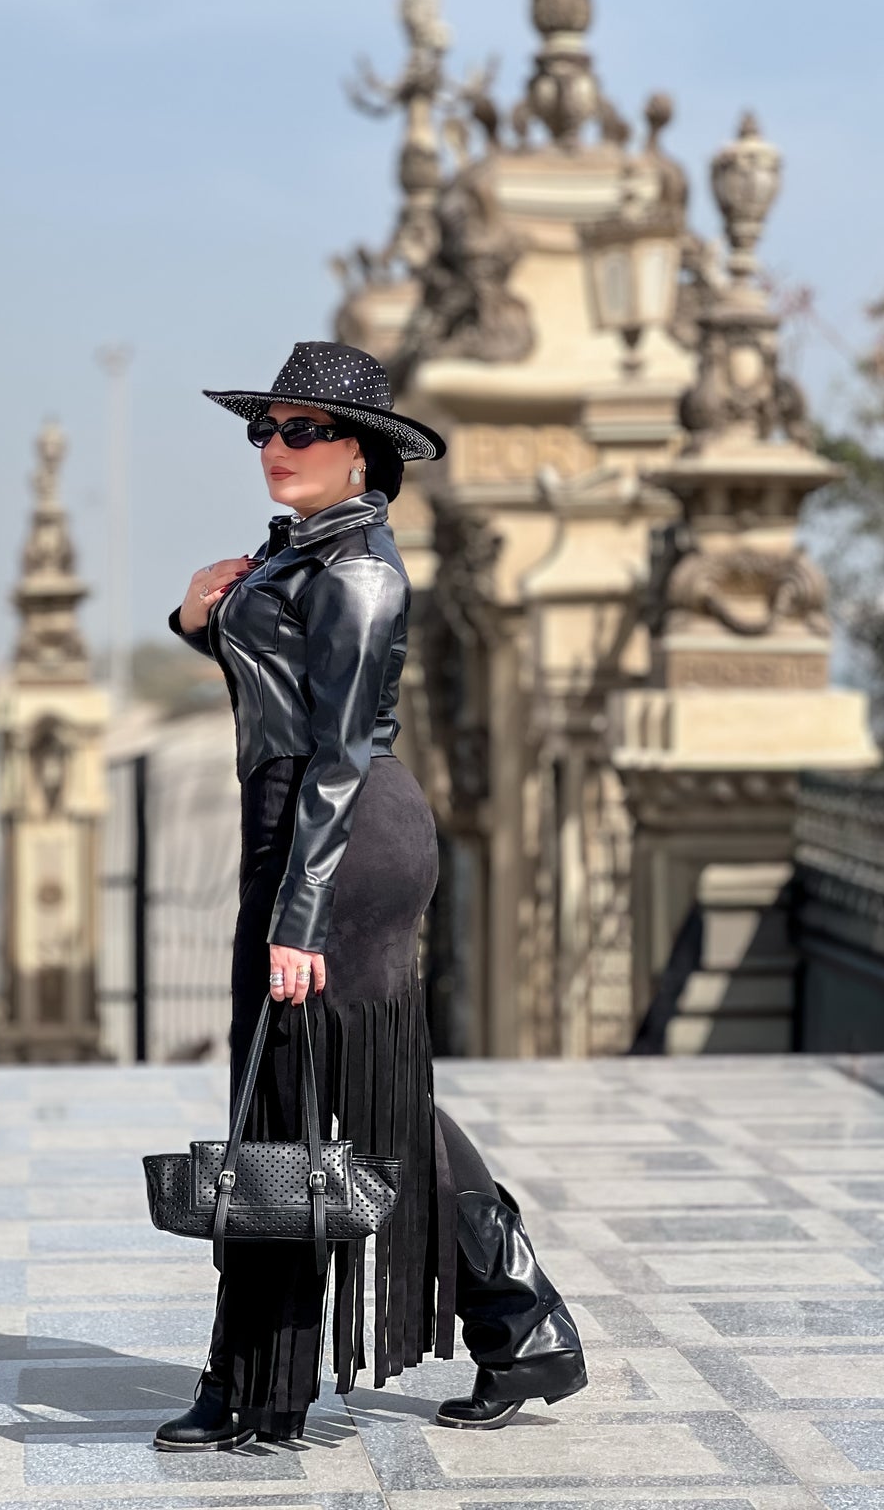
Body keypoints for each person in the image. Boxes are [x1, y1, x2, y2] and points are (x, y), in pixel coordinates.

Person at [154, 340, 586, 1450]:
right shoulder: (299, 552)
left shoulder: (358, 572)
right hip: (294, 831)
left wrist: (298, 919)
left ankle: (259, 1379)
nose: (276, 447)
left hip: (341, 844)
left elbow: (340, 754)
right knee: (316, 1099)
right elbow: (282, 695)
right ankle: (500, 1330)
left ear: (361, 453)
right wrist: (197, 622)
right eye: (267, 429)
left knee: (334, 1097)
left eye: (303, 430)